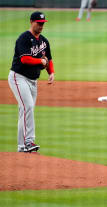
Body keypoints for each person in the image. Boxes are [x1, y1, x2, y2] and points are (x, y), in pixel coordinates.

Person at [8, 11, 55, 152]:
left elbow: (49, 59)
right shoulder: (24, 38)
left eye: (43, 24)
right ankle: (29, 141)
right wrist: (40, 61)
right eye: (38, 23)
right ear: (31, 22)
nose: (41, 26)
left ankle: (22, 147)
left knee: (25, 110)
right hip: (18, 77)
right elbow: (25, 59)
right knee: (27, 106)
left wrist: (51, 72)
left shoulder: (44, 41)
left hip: (33, 80)